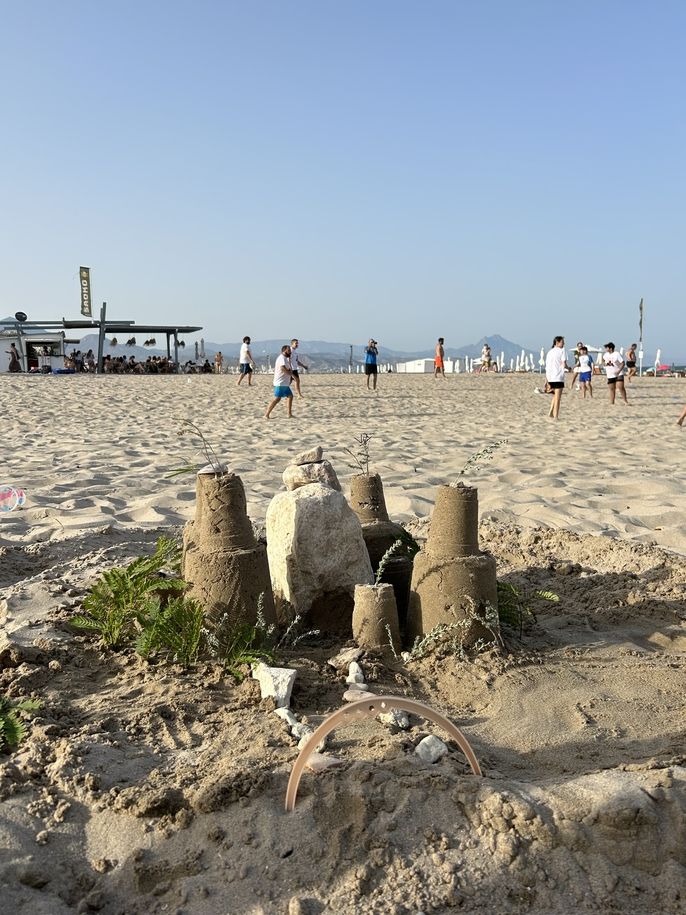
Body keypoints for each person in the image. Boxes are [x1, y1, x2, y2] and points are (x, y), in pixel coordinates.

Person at [265, 344, 294, 419]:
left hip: (284, 383)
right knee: (277, 399)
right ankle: (266, 414)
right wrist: (290, 373)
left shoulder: (286, 359)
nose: (290, 352)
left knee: (290, 396)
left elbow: (289, 368)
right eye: (289, 350)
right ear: (284, 351)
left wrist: (290, 376)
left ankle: (289, 414)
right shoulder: (282, 358)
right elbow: (282, 368)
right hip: (280, 383)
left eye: (290, 351)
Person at [545, 336, 568, 419]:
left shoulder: (549, 352)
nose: (564, 343)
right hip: (558, 376)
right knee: (558, 398)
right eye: (562, 342)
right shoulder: (562, 350)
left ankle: (551, 412)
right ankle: (556, 416)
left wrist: (546, 380)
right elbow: (564, 363)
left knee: (555, 396)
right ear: (557, 343)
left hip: (550, 377)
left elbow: (547, 366)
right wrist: (568, 368)